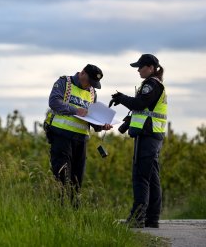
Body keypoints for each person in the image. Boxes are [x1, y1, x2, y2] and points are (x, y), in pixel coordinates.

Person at [109, 54, 167, 228]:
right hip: (152, 135)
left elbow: (140, 104)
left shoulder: (151, 84)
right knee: (152, 178)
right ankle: (152, 218)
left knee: (141, 177)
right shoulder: (155, 84)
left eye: (140, 67)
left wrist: (121, 98)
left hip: (148, 137)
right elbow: (144, 110)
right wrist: (128, 122)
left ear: (150, 67)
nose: (138, 70)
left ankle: (137, 218)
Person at [44, 64, 112, 207]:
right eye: (89, 81)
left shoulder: (92, 92)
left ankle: (75, 212)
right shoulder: (64, 82)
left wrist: (102, 125)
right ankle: (60, 210)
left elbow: (91, 118)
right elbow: (54, 102)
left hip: (81, 140)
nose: (90, 86)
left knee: (77, 179)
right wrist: (75, 110)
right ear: (82, 73)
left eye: (93, 84)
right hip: (61, 135)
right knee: (62, 177)